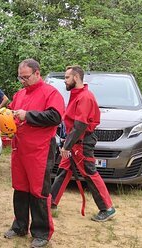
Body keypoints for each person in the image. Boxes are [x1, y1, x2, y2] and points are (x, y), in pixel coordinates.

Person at [3, 59, 65, 248]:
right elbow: (13, 114)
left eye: (26, 77)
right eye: (20, 77)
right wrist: (6, 119)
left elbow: (55, 117)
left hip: (40, 149)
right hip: (20, 148)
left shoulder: (51, 93)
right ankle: (20, 226)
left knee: (39, 191)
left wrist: (27, 115)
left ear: (37, 73)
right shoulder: (20, 94)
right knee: (20, 187)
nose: (22, 81)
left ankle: (42, 232)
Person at [49, 65, 116, 222]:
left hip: (82, 142)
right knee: (64, 170)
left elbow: (80, 125)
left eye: (67, 77)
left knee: (89, 173)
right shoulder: (76, 94)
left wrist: (66, 146)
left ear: (76, 78)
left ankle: (107, 208)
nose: (65, 81)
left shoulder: (84, 97)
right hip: (74, 141)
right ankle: (50, 202)